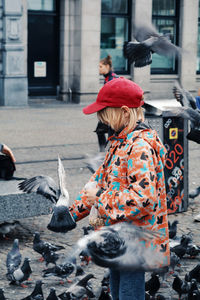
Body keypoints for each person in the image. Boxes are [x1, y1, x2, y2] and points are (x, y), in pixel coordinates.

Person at [69, 77, 170, 300]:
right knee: (117, 290)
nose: (101, 118)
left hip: (135, 241)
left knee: (128, 294)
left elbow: (143, 200)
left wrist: (101, 198)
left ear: (124, 112)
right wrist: (71, 214)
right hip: (119, 238)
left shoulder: (139, 147)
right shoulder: (118, 142)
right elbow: (97, 183)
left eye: (105, 113)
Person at [95, 55, 119, 152]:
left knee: (108, 133)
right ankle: (105, 153)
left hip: (112, 112)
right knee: (102, 131)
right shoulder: (108, 78)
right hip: (108, 112)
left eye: (101, 67)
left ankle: (107, 153)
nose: (99, 69)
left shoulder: (112, 79)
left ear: (107, 66)